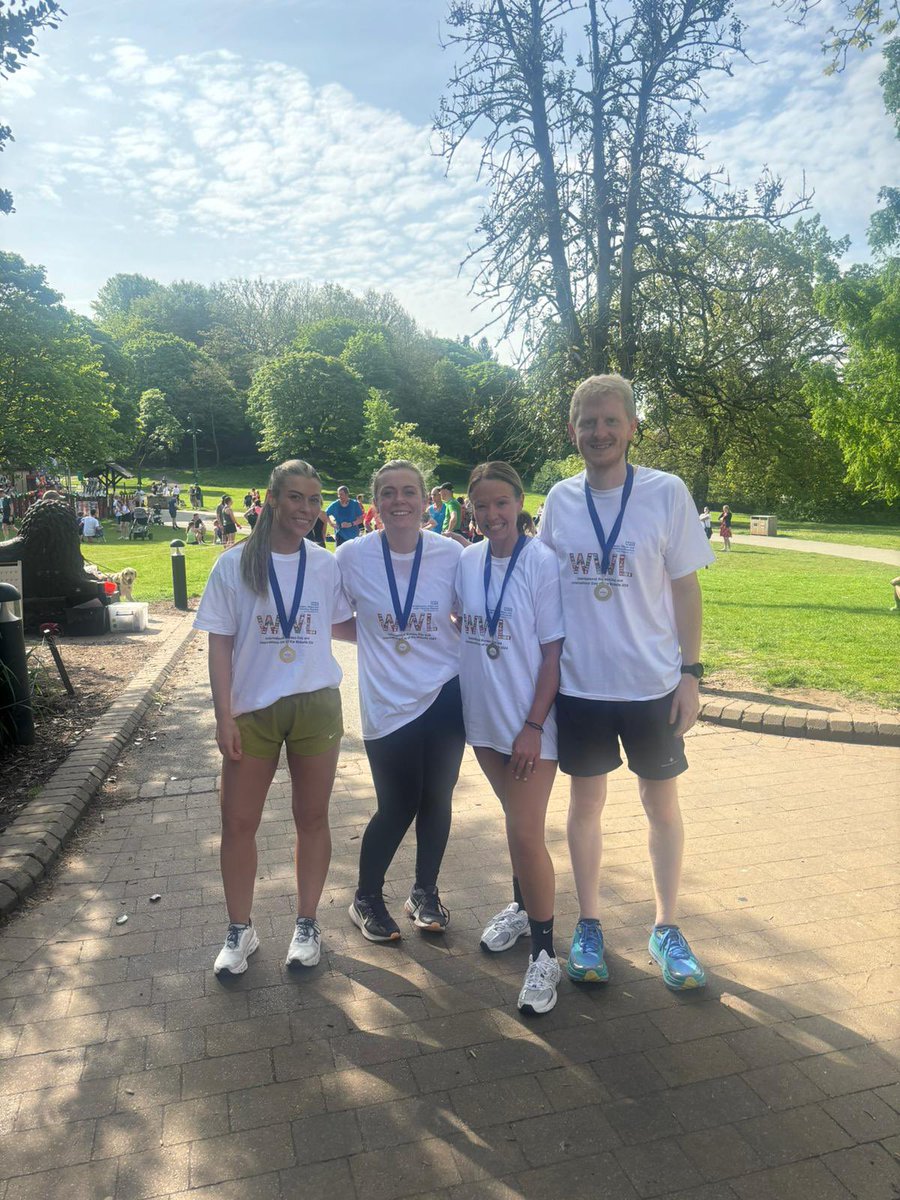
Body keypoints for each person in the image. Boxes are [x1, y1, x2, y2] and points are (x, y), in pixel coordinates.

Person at [539, 374, 714, 992]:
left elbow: (687, 587)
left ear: (633, 427)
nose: (599, 432)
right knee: (585, 806)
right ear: (572, 431)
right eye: (588, 422)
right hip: (582, 687)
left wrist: (690, 676)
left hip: (652, 687)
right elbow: (539, 589)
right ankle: (589, 924)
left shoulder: (666, 493)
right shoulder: (559, 501)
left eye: (611, 420)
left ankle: (666, 927)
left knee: (660, 807)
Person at [193, 459, 353, 976]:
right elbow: (220, 648)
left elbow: (347, 626)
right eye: (296, 498)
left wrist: (419, 630)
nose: (307, 509)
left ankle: (307, 923)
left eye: (314, 499)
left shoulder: (325, 564)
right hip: (253, 710)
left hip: (315, 704)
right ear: (272, 500)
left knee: (312, 818)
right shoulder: (235, 564)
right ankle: (240, 930)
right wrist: (223, 716)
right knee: (238, 822)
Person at [336, 460, 465, 943]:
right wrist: (375, 638)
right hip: (387, 701)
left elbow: (465, 614)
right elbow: (331, 618)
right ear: (375, 503)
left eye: (409, 491)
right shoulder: (351, 556)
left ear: (425, 498)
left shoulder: (451, 554)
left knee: (437, 798)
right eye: (388, 492)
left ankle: (424, 893)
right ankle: (366, 897)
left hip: (446, 692)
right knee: (396, 804)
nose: (399, 500)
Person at [456, 462, 565, 1015]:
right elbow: (461, 620)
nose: (492, 514)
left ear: (519, 503)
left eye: (502, 503)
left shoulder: (541, 563)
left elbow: (552, 652)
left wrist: (533, 725)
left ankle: (545, 955)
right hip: (483, 720)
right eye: (482, 505)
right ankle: (524, 909)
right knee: (516, 826)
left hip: (528, 727)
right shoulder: (467, 560)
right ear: (470, 509)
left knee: (525, 833)